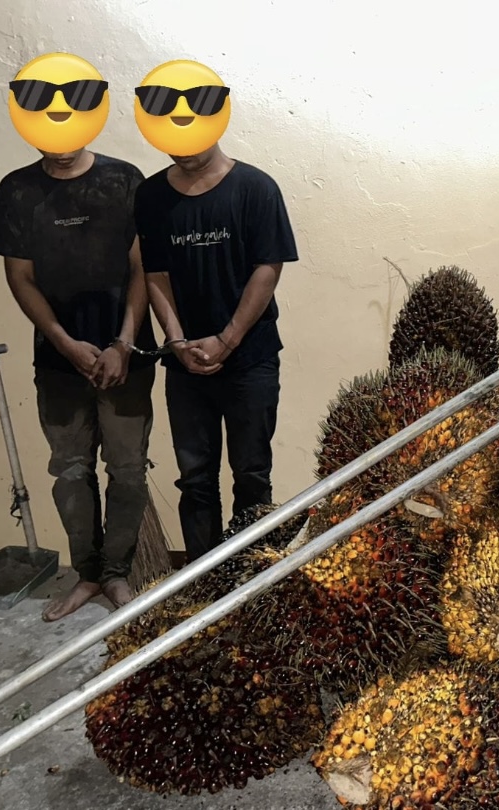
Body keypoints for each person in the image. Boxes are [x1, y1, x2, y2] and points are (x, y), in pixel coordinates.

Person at [0, 146, 159, 621]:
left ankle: (117, 573)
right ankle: (88, 574)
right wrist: (64, 343)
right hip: (58, 365)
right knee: (70, 470)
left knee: (128, 469)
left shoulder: (124, 180)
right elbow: (20, 277)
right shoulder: (17, 190)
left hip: (127, 358)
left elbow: (144, 266)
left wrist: (123, 344)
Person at [135, 142, 297, 563]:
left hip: (251, 360)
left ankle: (252, 577)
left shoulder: (256, 188)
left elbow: (268, 269)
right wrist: (176, 342)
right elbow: (155, 273)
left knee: (252, 475)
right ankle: (203, 582)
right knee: (195, 481)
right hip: (184, 365)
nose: (182, 151)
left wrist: (227, 339)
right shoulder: (151, 195)